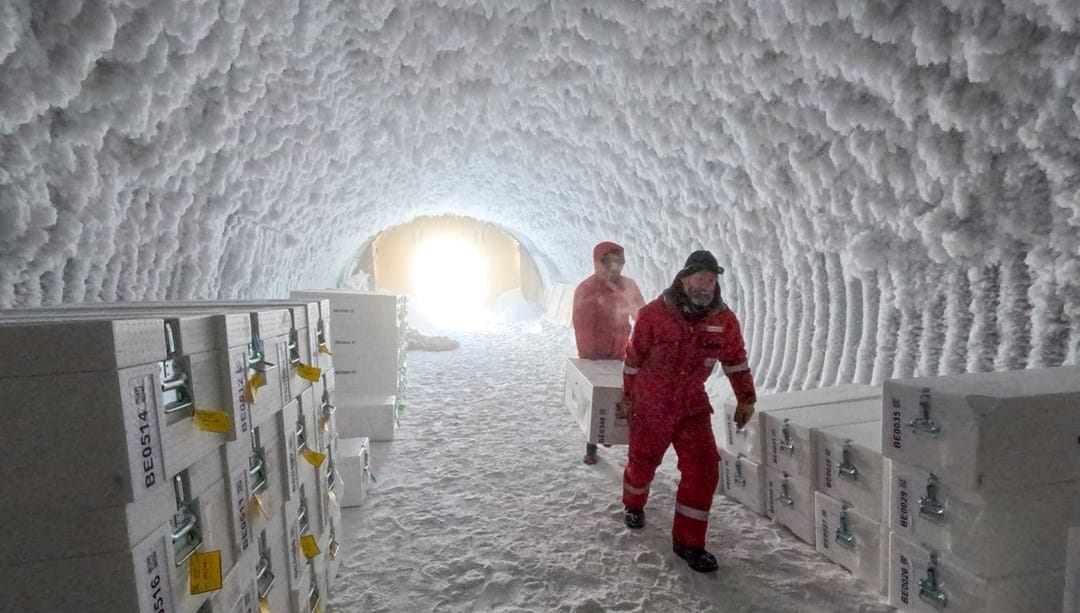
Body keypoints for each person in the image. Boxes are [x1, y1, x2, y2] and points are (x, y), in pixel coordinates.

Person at [618, 250, 756, 573]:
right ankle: (633, 504)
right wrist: (628, 396)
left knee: (704, 468)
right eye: (699, 278)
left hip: (691, 404)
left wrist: (746, 397)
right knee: (643, 462)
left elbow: (735, 360)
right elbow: (633, 358)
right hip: (651, 403)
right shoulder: (654, 314)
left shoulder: (724, 322)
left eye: (711, 280)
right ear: (684, 279)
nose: (705, 286)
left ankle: (688, 543)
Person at [572, 241, 646, 465]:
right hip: (595, 355)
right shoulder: (587, 289)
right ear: (599, 263)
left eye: (619, 262)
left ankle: (621, 440)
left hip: (621, 352)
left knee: (625, 397)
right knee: (597, 400)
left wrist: (643, 344)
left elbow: (641, 315)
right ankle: (591, 445)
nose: (615, 268)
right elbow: (582, 325)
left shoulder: (628, 286)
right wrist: (589, 356)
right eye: (610, 262)